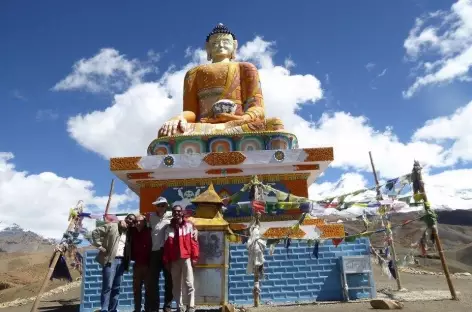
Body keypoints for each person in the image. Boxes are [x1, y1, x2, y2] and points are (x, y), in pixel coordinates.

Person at [91, 214, 136, 312]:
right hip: (111, 260)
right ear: (125, 218)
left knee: (117, 287)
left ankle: (113, 309)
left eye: (133, 220)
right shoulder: (112, 226)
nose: (130, 221)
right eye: (129, 218)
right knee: (107, 286)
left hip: (122, 261)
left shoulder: (129, 232)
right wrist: (99, 246)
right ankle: (104, 309)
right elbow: (95, 232)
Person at [163, 205, 199, 312]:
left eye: (178, 211)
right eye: (174, 211)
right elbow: (166, 246)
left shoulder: (189, 225)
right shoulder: (168, 228)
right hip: (174, 260)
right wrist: (166, 261)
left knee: (189, 283)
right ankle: (180, 306)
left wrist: (195, 257)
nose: (176, 213)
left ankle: (191, 306)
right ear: (172, 213)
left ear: (182, 212)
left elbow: (194, 243)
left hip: (186, 258)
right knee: (176, 285)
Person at [147, 197, 173, 312]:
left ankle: (167, 305)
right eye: (159, 205)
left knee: (169, 280)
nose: (161, 207)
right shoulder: (150, 217)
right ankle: (154, 306)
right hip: (155, 252)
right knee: (153, 281)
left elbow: (187, 220)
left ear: (166, 206)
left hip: (167, 252)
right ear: (155, 206)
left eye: (163, 205)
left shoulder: (172, 215)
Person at [129, 214, 152, 312]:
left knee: (148, 289)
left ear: (144, 222)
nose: (138, 223)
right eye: (136, 221)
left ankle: (147, 309)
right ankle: (137, 309)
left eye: (140, 221)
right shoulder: (132, 231)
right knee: (136, 289)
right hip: (137, 265)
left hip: (148, 265)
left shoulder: (149, 231)